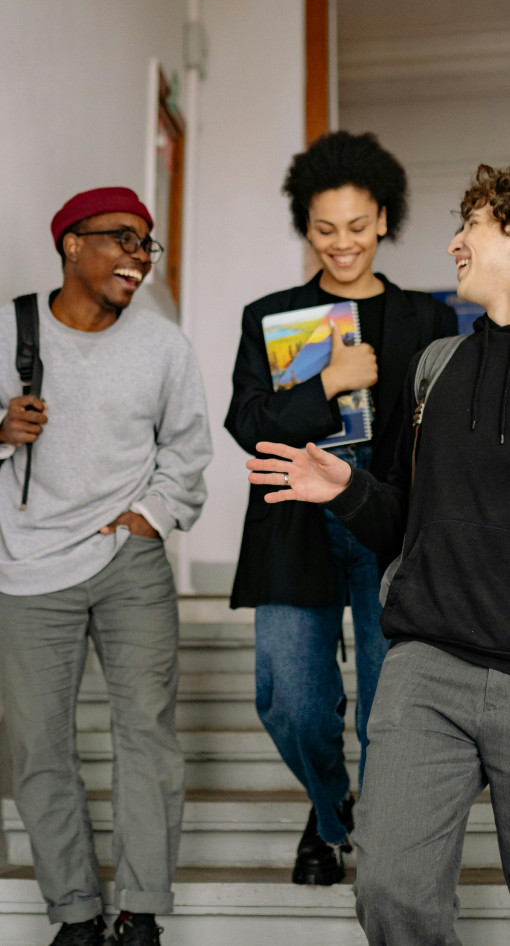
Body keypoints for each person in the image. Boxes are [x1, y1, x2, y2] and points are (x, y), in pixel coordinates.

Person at [245, 162, 510, 945]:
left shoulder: (419, 324)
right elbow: (405, 508)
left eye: (475, 225)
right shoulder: (441, 365)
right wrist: (342, 487)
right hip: (428, 658)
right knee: (390, 892)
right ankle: (335, 815)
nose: (455, 241)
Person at [224, 130, 457, 885]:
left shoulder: (428, 318)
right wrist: (325, 382)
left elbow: (439, 436)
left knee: (387, 710)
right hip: (296, 519)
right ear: (307, 227)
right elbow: (249, 426)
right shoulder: (271, 315)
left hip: (390, 526)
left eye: (357, 227)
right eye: (325, 229)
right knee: (289, 701)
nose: (342, 244)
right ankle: (332, 812)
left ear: (384, 220)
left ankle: (377, 839)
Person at [0, 187, 212, 946]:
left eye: (146, 245)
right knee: (36, 746)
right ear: (70, 244)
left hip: (128, 559)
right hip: (27, 570)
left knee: (145, 734)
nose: (137, 257)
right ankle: (76, 915)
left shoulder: (162, 346)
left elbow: (189, 449)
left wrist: (150, 517)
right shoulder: (9, 330)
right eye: (121, 238)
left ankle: (141, 909)